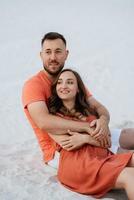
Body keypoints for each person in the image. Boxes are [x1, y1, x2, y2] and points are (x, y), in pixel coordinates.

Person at [22, 31, 134, 168]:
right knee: (125, 155)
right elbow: (43, 122)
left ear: (66, 54)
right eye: (48, 52)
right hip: (64, 147)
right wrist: (87, 128)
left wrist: (103, 121)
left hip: (89, 133)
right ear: (41, 55)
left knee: (130, 134)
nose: (53, 57)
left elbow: (98, 107)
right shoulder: (33, 85)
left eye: (58, 51)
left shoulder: (68, 79)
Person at [47, 68, 134, 199]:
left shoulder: (89, 111)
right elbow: (70, 145)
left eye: (70, 82)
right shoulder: (53, 117)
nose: (64, 86)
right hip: (78, 165)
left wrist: (85, 138)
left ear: (78, 89)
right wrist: (90, 138)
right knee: (130, 176)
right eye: (59, 82)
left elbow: (107, 141)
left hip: (102, 157)